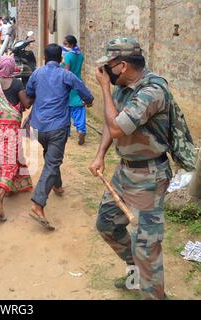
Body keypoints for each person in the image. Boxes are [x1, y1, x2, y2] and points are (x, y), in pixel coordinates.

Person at [89, 38, 174, 300]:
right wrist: (100, 154)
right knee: (106, 224)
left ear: (122, 66)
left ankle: (153, 292)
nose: (105, 73)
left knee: (147, 246)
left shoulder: (152, 91)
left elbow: (117, 127)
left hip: (149, 176)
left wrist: (103, 87)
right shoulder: (124, 87)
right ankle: (136, 270)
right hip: (125, 172)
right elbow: (110, 120)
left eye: (108, 67)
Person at [26, 44, 94, 230]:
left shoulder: (37, 74)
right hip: (57, 127)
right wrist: (88, 101)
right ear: (61, 59)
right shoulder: (66, 75)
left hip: (39, 127)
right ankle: (38, 204)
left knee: (51, 157)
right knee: (52, 162)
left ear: (44, 57)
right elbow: (85, 93)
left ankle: (57, 185)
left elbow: (29, 94)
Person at [0, 55, 34, 221]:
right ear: (12, 67)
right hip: (10, 129)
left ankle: (12, 187)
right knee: (10, 163)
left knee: (6, 157)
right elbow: (26, 104)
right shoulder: (17, 83)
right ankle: (0, 196)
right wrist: (33, 94)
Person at [62, 35, 89, 145]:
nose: (64, 46)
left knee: (66, 109)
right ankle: (81, 129)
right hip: (78, 82)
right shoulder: (80, 55)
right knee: (79, 108)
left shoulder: (68, 56)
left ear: (71, 44)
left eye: (66, 44)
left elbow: (66, 71)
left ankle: (66, 131)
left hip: (68, 84)